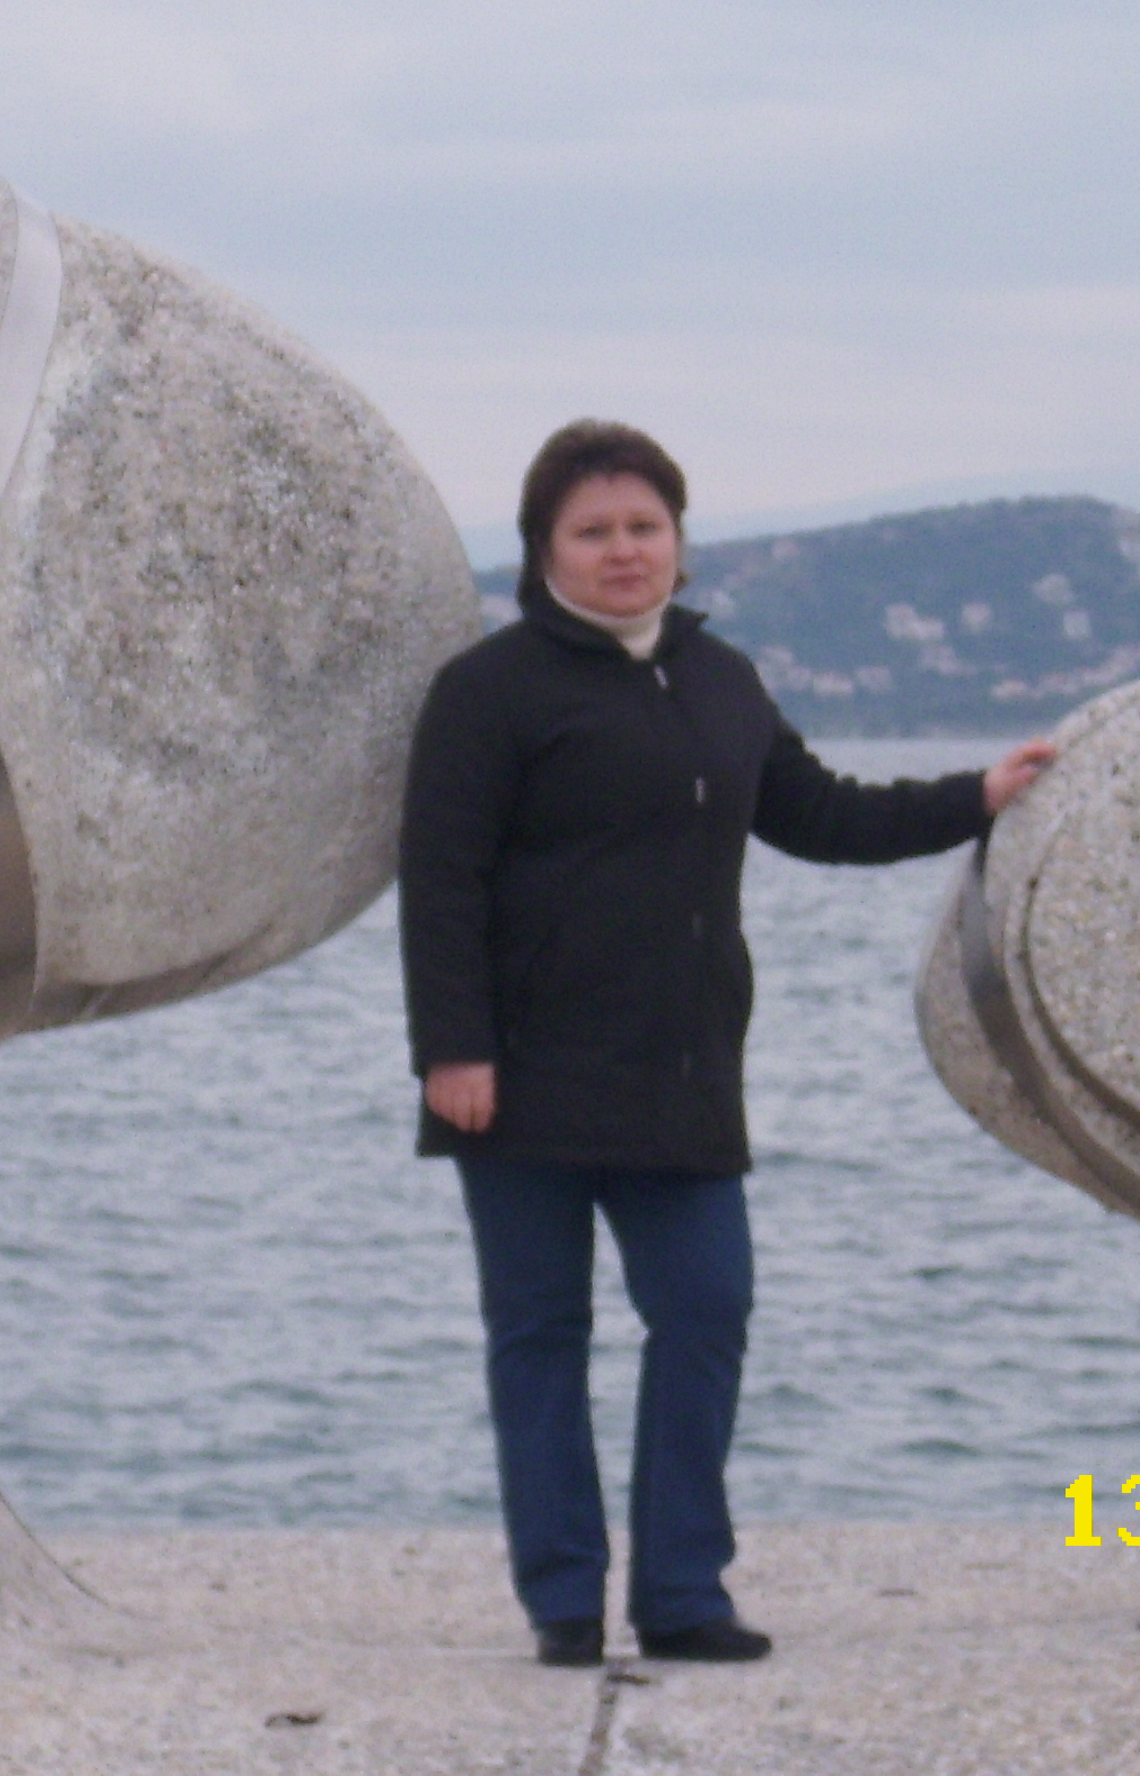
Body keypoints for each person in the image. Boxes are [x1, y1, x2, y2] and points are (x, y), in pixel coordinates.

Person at [397, 419, 1054, 1668]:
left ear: (679, 541)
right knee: (539, 1339)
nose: (622, 550)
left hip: (678, 1070)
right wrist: (452, 1050)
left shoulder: (722, 680)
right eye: (592, 531)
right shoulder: (486, 692)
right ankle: (561, 1601)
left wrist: (973, 797)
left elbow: (819, 815)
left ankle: (682, 1593)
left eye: (643, 526)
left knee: (706, 1312)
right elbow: (441, 880)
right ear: (542, 550)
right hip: (518, 1077)